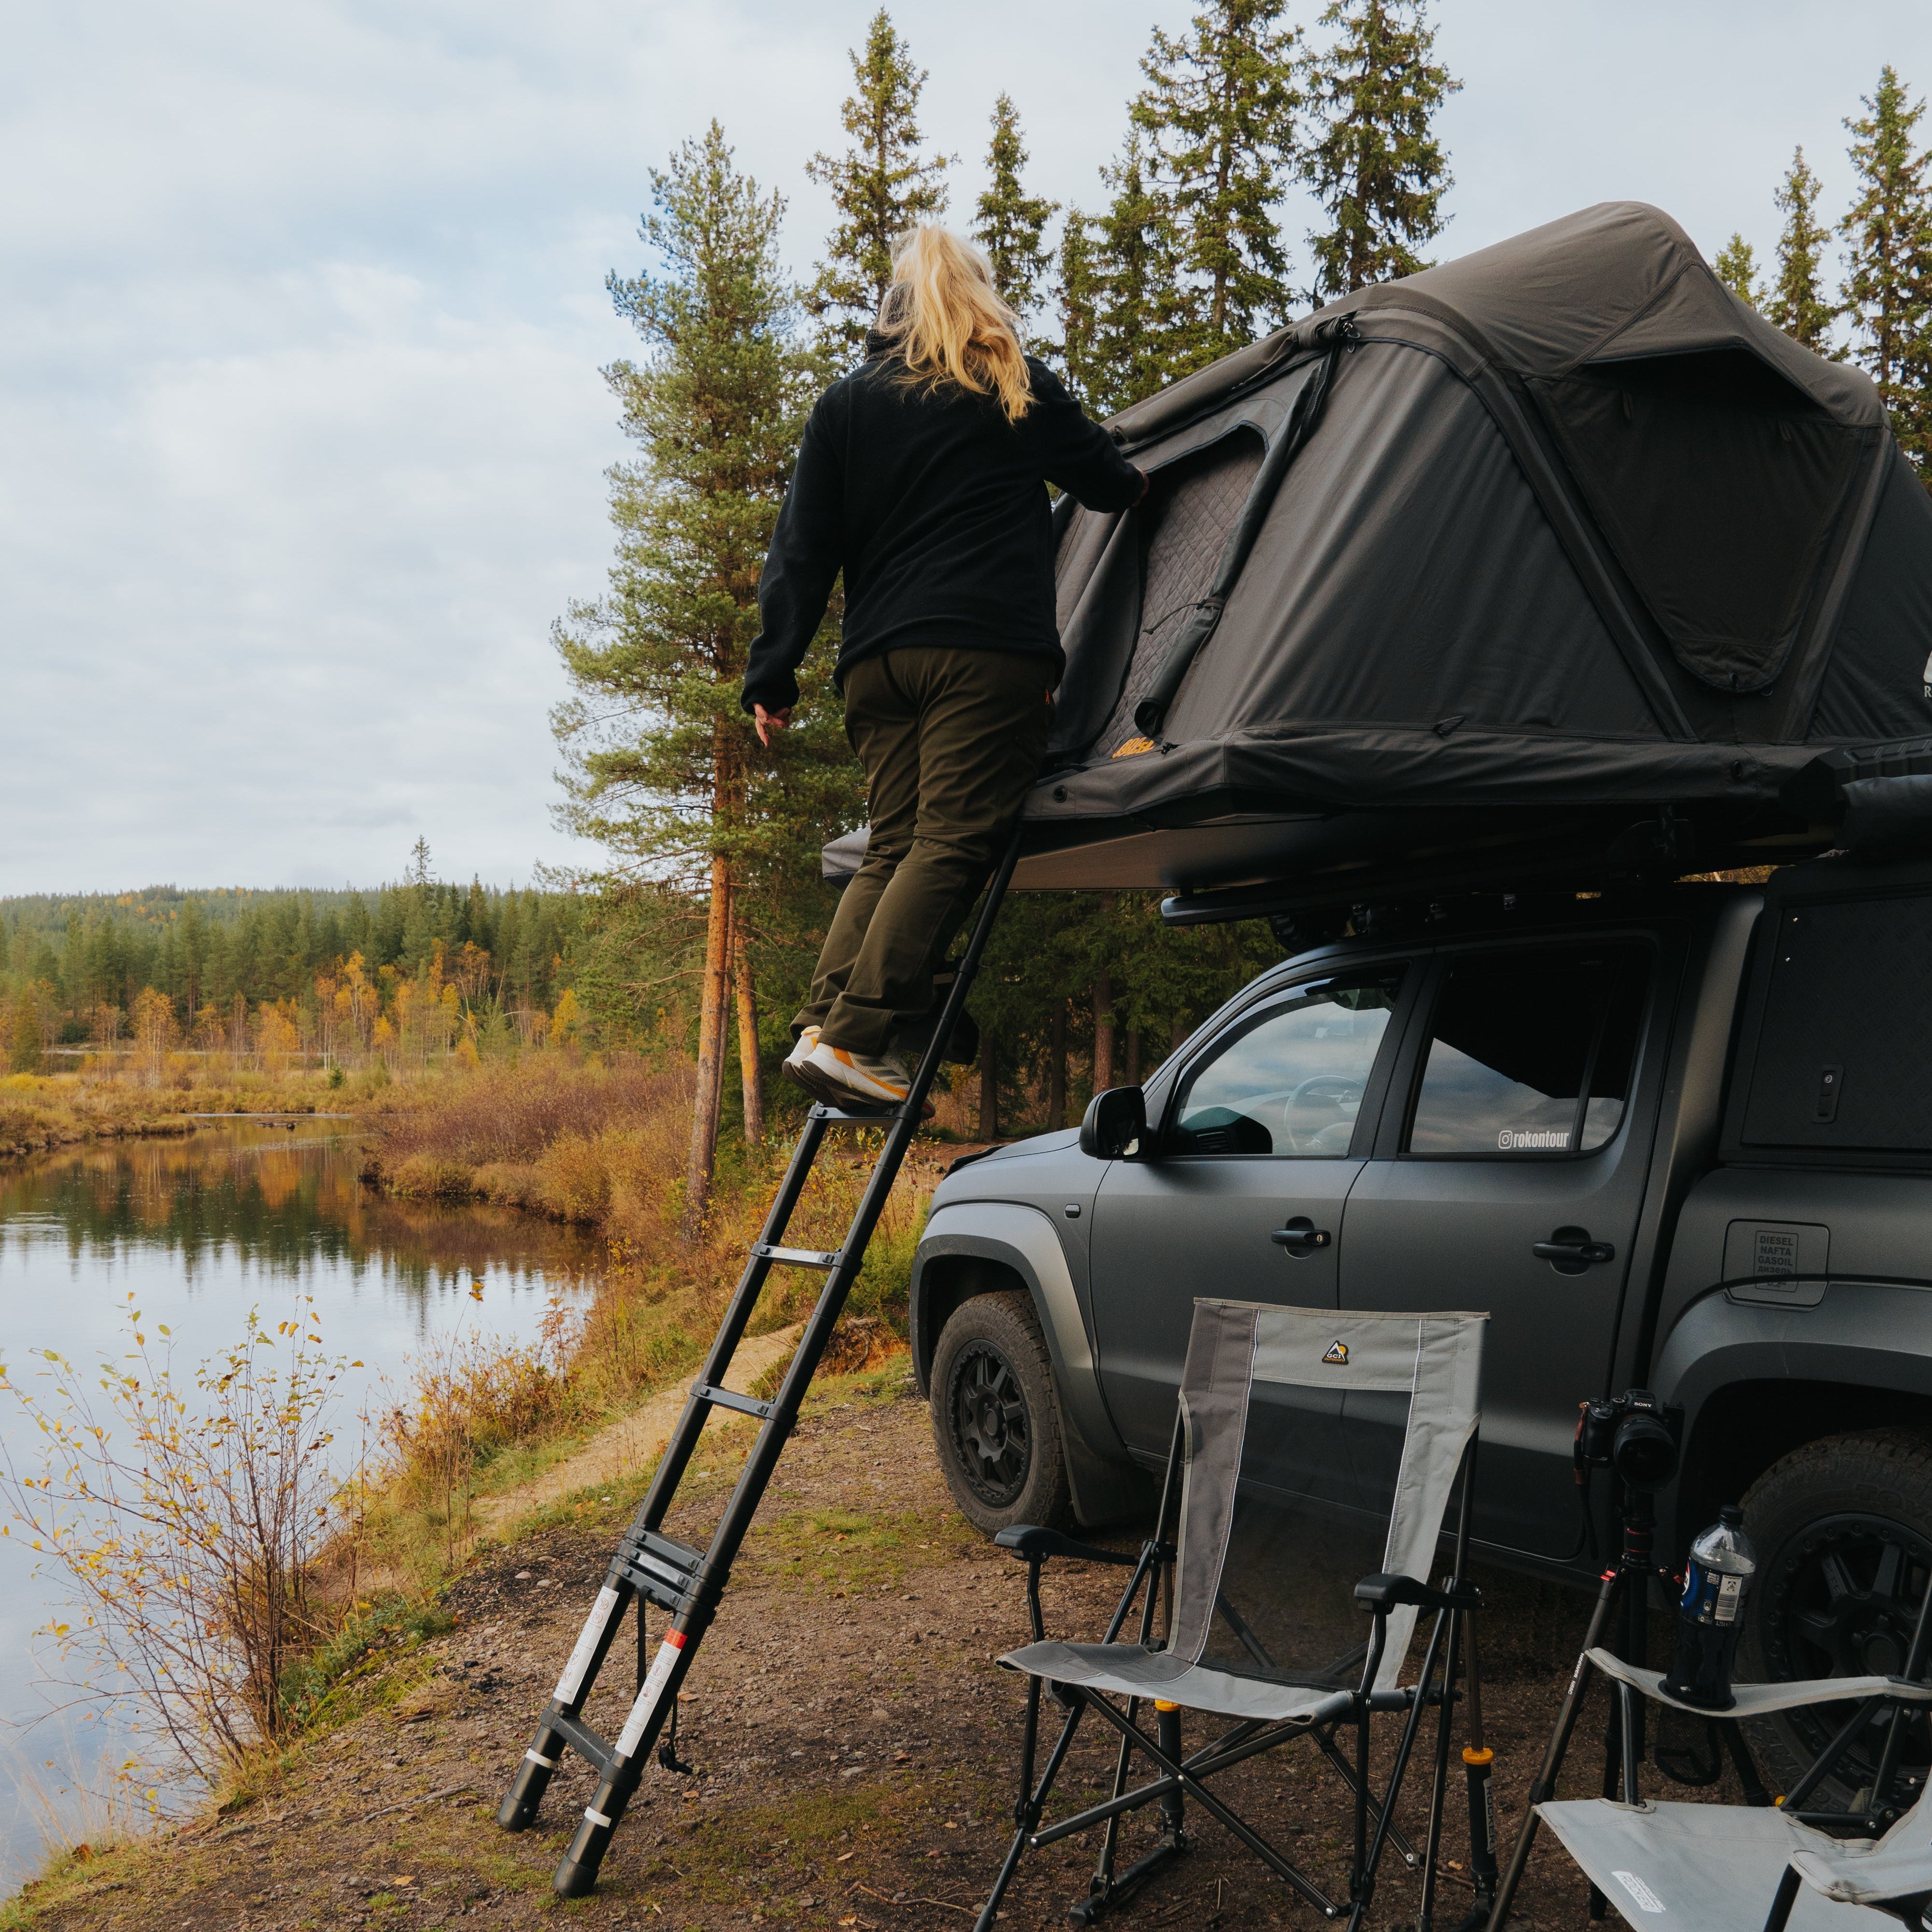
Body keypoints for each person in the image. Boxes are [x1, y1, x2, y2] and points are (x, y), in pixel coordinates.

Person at [742, 225, 1146, 1113]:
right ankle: (855, 1036)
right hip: (983, 652)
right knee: (953, 841)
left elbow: (800, 552)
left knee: (894, 844)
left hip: (877, 665)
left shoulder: (845, 406)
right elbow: (1112, 483)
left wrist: (772, 675)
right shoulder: (1006, 383)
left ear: (893, 312)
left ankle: (823, 1028)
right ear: (976, 299)